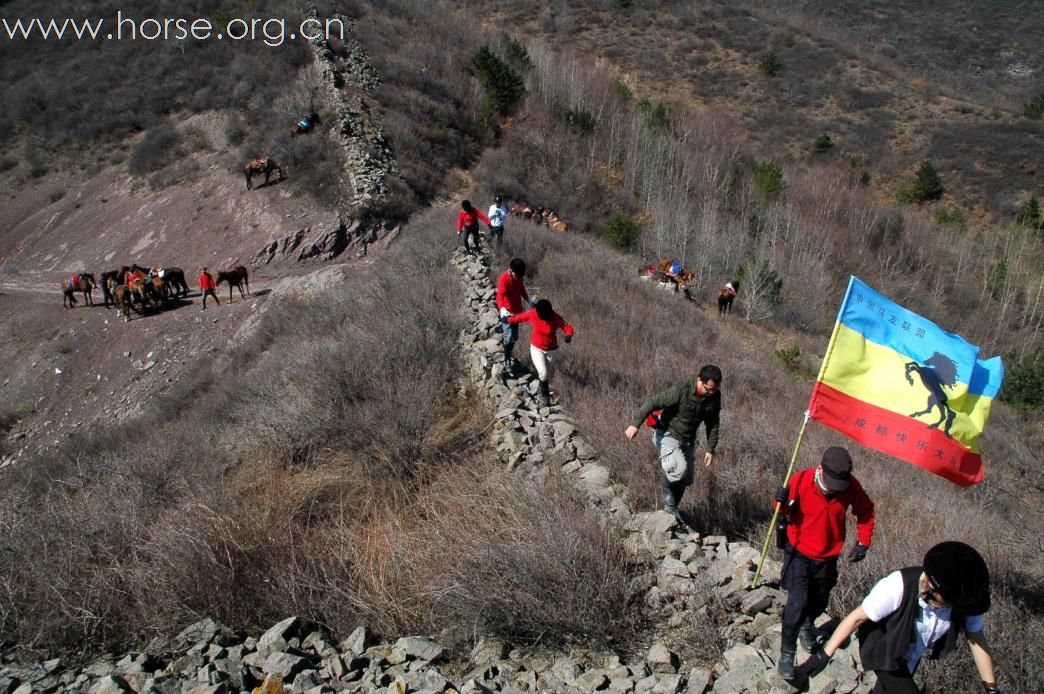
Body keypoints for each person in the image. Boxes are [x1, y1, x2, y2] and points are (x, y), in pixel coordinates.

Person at [797, 541, 999, 694]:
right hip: (883, 648)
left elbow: (976, 639)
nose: (925, 589)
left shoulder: (961, 601)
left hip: (909, 656)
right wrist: (822, 656)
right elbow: (856, 618)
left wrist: (991, 689)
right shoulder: (898, 585)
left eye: (941, 600)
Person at [774, 447, 876, 679]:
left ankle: (806, 625)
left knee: (820, 599)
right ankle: (787, 655)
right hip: (799, 550)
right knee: (797, 602)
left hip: (828, 555)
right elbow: (783, 510)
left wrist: (863, 542)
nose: (832, 488)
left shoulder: (851, 486)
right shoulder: (800, 479)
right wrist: (780, 501)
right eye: (830, 482)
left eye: (838, 484)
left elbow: (866, 512)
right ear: (820, 469)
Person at [623, 365, 723, 525]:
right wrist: (635, 424)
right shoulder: (682, 389)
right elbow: (653, 402)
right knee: (679, 469)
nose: (711, 393)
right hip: (666, 432)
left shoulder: (715, 396)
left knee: (687, 479)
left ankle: (672, 508)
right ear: (699, 380)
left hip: (687, 439)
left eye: (714, 389)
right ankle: (668, 502)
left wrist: (710, 449)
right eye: (708, 389)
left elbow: (713, 423)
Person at [505, 299, 574, 407]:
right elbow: (520, 317)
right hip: (537, 349)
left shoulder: (555, 317)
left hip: (552, 350)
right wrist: (508, 320)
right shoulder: (534, 314)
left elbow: (567, 327)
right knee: (543, 373)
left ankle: (540, 387)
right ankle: (544, 398)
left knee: (548, 375)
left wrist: (568, 335)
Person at [496, 258, 535, 375]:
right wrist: (502, 309)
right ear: (511, 271)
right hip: (507, 313)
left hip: (517, 311)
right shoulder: (504, 279)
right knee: (508, 336)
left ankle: (508, 350)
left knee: (515, 337)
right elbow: (500, 296)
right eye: (517, 275)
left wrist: (528, 299)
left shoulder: (518, 277)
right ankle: (506, 360)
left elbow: (521, 289)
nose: (519, 277)